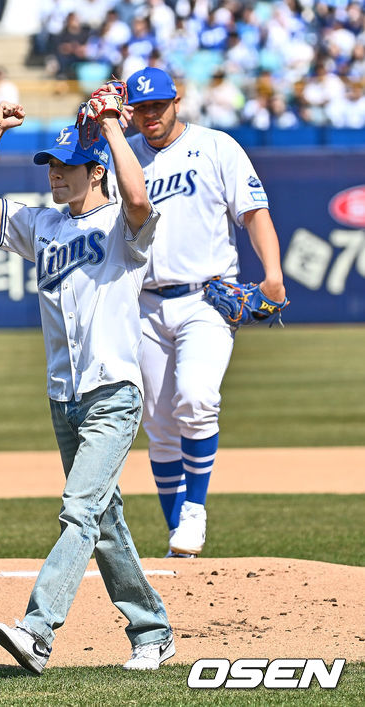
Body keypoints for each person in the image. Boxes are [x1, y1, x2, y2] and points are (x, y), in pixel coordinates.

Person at [0, 98, 174, 673]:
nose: (55, 174)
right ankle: (153, 630)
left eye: (67, 166)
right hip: (64, 398)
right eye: (51, 165)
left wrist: (109, 126)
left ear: (95, 170)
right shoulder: (43, 224)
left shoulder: (122, 228)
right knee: (102, 521)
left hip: (113, 392)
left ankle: (37, 629)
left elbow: (137, 199)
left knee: (79, 509)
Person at [123, 67, 286, 558]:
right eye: (141, 107)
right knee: (157, 422)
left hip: (206, 297)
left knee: (196, 399)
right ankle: (178, 537)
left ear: (177, 102)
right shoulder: (121, 156)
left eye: (158, 105)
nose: (150, 115)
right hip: (143, 302)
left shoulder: (217, 146)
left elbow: (255, 212)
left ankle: (194, 509)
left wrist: (272, 274)